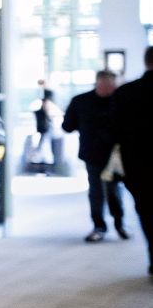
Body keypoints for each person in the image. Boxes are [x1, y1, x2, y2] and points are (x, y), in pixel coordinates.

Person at [64, 70, 128, 242]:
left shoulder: (119, 101)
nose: (112, 88)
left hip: (115, 155)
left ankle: (120, 224)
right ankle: (99, 226)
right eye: (109, 85)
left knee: (113, 190)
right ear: (99, 83)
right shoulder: (80, 101)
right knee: (96, 191)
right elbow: (67, 125)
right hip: (92, 153)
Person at [111, 47, 153, 280]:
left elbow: (114, 129)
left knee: (146, 212)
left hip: (138, 165)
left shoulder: (126, 93)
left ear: (145, 62)